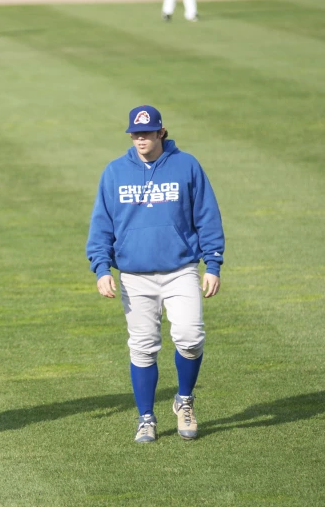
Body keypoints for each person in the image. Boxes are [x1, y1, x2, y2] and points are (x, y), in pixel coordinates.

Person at [86, 105, 224, 443]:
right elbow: (101, 225)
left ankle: (184, 400)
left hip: (181, 270)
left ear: (161, 132)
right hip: (134, 275)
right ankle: (146, 418)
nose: (140, 138)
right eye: (135, 133)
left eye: (147, 133)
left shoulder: (187, 165)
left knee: (191, 337)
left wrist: (214, 263)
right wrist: (101, 268)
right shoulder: (115, 172)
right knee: (143, 347)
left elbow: (207, 215)